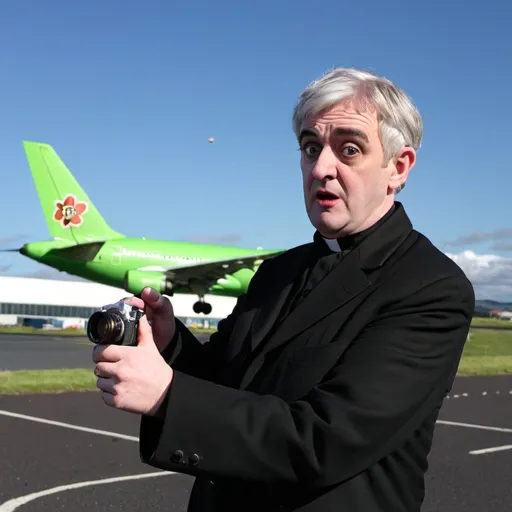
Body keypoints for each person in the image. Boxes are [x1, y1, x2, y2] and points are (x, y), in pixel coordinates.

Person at [92, 67, 475, 511]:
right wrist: (170, 343)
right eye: (311, 148)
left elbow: (326, 441)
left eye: (349, 149)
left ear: (398, 166)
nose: (322, 168)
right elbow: (228, 381)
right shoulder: (277, 271)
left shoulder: (430, 288)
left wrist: (166, 395)